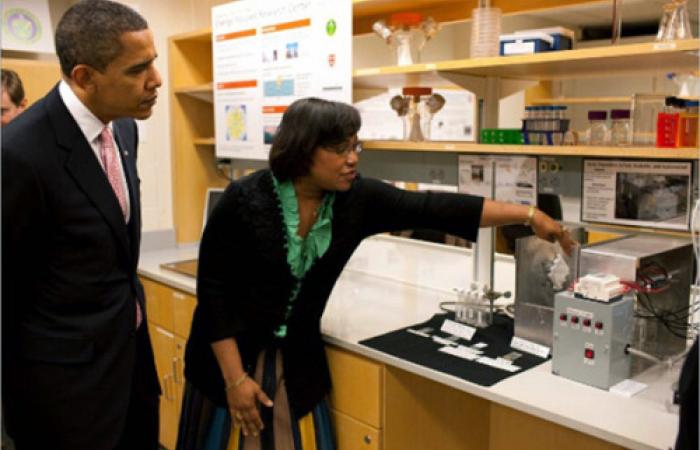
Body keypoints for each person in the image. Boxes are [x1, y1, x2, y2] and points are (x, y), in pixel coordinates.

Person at [177, 98, 576, 450]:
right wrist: (234, 381)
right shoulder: (244, 199)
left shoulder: (356, 200)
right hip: (225, 364)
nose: (353, 158)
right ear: (302, 151)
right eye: (339, 148)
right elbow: (214, 293)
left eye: (355, 146)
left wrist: (530, 215)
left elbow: (435, 208)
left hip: (296, 364)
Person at [2, 1, 162, 449]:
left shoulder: (123, 129)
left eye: (154, 62)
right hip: (64, 397)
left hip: (131, 373)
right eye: (137, 69)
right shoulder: (18, 154)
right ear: (85, 77)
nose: (156, 80)